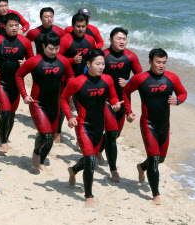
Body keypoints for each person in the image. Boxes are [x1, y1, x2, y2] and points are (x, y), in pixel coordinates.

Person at [122, 48, 187, 205]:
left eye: (164, 62)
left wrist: (178, 101)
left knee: (160, 159)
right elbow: (125, 92)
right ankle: (156, 195)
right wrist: (128, 112)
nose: (161, 65)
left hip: (164, 124)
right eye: (158, 62)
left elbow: (183, 93)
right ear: (150, 62)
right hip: (148, 123)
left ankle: (141, 167)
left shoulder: (172, 78)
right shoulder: (140, 78)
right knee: (154, 158)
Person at [61, 49, 121, 206]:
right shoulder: (77, 81)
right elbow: (63, 98)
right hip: (83, 125)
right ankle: (89, 196)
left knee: (90, 161)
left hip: (98, 126)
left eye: (103, 63)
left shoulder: (107, 80)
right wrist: (69, 117)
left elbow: (113, 96)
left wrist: (114, 104)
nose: (101, 66)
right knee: (91, 159)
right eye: (98, 63)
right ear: (88, 64)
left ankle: (73, 170)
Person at [15, 33, 74, 172]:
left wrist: (68, 93)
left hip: (55, 103)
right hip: (37, 103)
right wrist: (24, 95)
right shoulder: (34, 61)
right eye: (51, 48)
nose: (54, 52)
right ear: (43, 46)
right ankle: (36, 152)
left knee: (51, 137)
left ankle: (42, 162)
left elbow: (71, 77)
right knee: (45, 135)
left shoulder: (63, 61)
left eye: (56, 48)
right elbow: (19, 75)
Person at [0, 13, 33, 153]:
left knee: (12, 115)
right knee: (5, 113)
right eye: (11, 26)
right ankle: (3, 141)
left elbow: (33, 61)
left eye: (16, 25)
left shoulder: (25, 42)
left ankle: (5, 137)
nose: (14, 28)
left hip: (16, 84)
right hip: (0, 82)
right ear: (4, 26)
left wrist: (27, 63)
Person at [98, 27, 143, 182]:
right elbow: (89, 73)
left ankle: (98, 150)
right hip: (104, 100)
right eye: (119, 38)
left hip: (123, 100)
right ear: (110, 40)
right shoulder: (103, 55)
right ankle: (113, 170)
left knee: (115, 134)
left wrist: (128, 81)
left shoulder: (131, 57)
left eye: (124, 38)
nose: (122, 41)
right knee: (111, 135)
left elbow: (141, 78)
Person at [56, 13, 96, 142]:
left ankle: (81, 137)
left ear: (86, 26)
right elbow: (57, 58)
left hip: (82, 79)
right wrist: (72, 60)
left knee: (82, 108)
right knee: (63, 106)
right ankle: (58, 132)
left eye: (83, 26)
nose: (80, 29)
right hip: (66, 79)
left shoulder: (90, 40)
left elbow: (93, 57)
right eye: (78, 26)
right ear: (73, 26)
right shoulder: (66, 39)